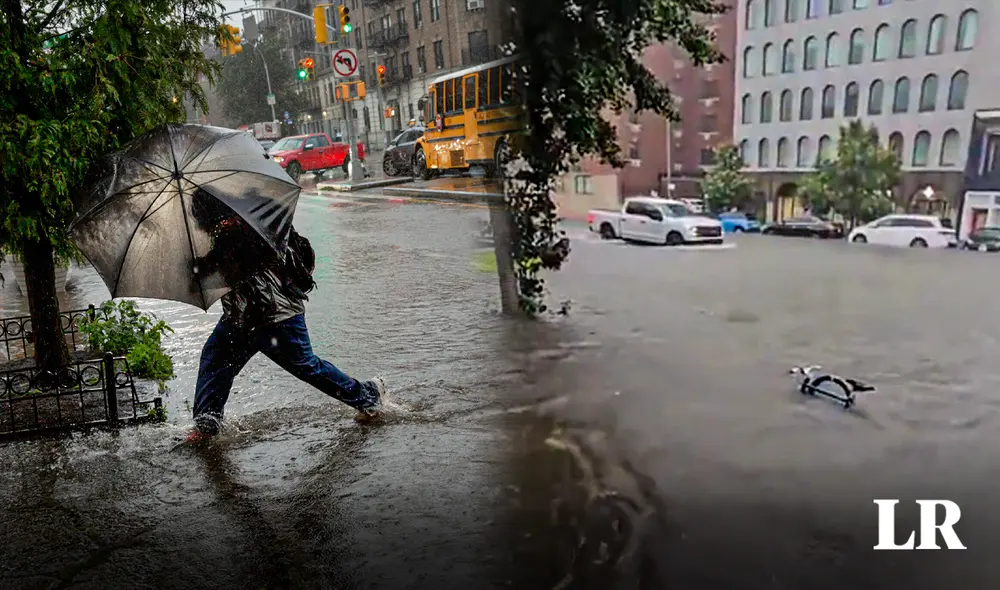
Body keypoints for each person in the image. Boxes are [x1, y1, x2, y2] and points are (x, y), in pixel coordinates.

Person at [186, 191, 385, 442]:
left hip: (275, 316)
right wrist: (198, 268)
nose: (198, 223)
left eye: (200, 216)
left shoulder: (252, 223)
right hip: (240, 317)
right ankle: (207, 426)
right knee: (215, 360)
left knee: (307, 367)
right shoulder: (229, 230)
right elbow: (217, 269)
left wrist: (203, 265)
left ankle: (368, 396)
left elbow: (239, 260)